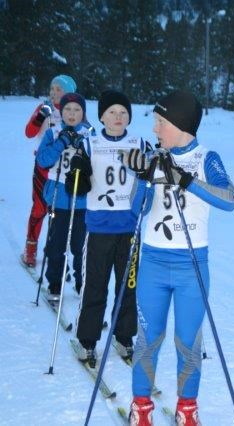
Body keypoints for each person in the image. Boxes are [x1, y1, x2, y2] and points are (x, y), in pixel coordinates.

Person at [120, 90, 234, 425]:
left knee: (188, 341)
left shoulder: (206, 158)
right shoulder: (154, 156)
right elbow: (135, 210)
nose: (155, 130)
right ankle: (141, 406)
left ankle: (188, 407)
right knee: (148, 338)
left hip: (192, 267)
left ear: (180, 123)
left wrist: (185, 180)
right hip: (154, 264)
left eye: (160, 122)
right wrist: (143, 178)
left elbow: (229, 199)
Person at [71, 90, 149, 367]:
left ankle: (124, 336)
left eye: (123, 113)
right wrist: (77, 173)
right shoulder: (89, 144)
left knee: (129, 287)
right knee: (95, 286)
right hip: (99, 228)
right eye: (112, 112)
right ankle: (87, 341)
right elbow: (75, 183)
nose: (118, 117)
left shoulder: (139, 142)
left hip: (129, 228)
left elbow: (154, 173)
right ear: (101, 116)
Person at [36, 92, 93, 302]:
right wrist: (61, 143)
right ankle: (55, 284)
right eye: (68, 109)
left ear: (83, 113)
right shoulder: (53, 132)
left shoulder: (90, 134)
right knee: (56, 245)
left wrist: (81, 150)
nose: (72, 114)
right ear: (61, 111)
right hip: (58, 198)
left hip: (82, 199)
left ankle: (81, 283)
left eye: (77, 110)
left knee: (80, 247)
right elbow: (43, 160)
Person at [21, 74, 77, 267]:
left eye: (59, 89)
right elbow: (29, 133)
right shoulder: (44, 108)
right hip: (43, 168)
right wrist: (40, 117)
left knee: (60, 213)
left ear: (69, 92)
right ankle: (31, 248)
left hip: (65, 171)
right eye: (52, 89)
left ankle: (55, 252)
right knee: (39, 209)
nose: (53, 93)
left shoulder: (75, 111)